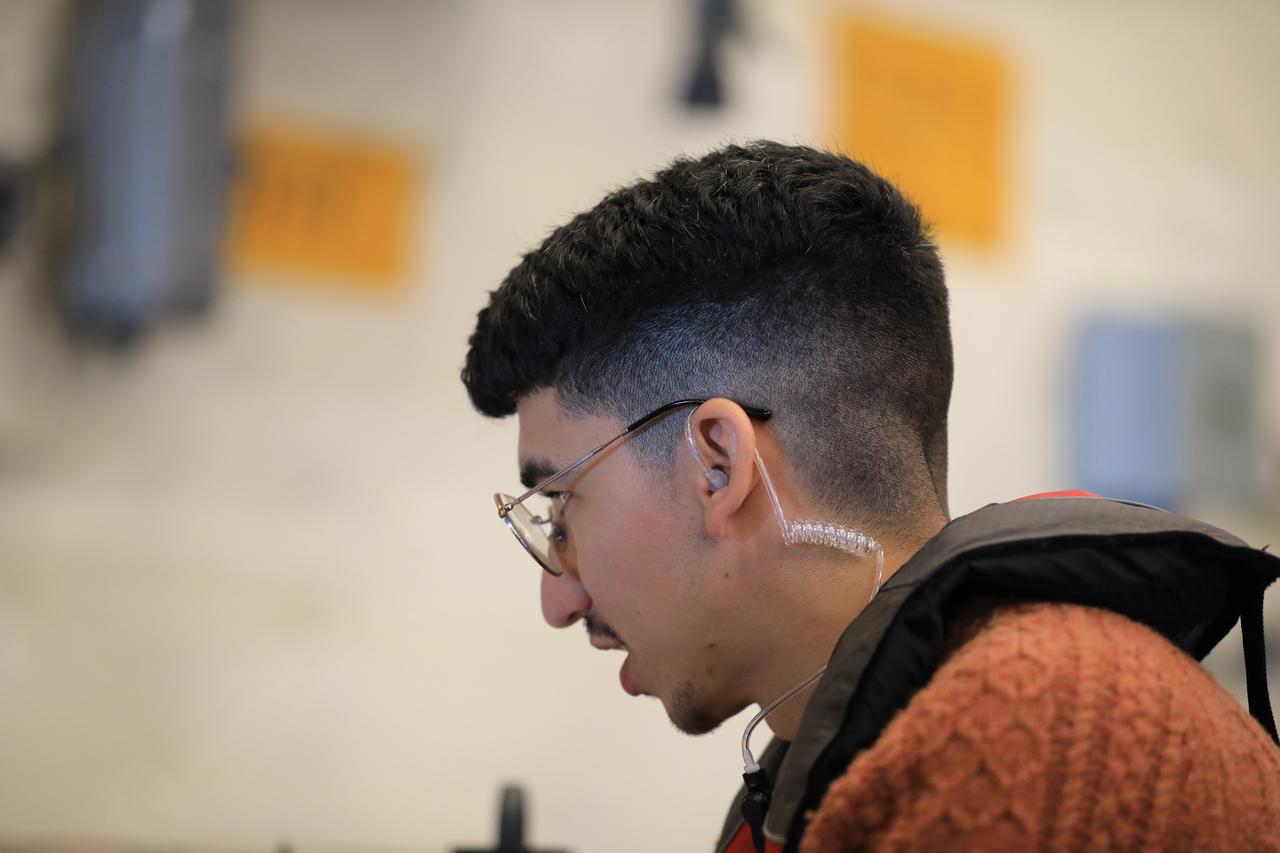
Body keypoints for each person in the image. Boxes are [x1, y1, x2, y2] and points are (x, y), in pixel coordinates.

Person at [462, 141, 1280, 852]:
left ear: (717, 462)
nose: (557, 598)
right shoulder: (861, 736)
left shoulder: (1030, 730)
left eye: (561, 508)